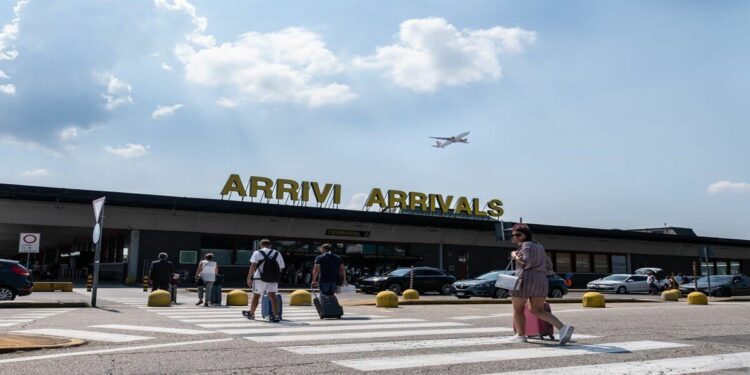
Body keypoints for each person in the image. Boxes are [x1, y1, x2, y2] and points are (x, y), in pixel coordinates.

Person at [508, 223, 574, 345]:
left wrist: (514, 255)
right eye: (514, 235)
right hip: (541, 280)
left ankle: (521, 335)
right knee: (537, 310)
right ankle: (563, 328)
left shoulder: (526, 245)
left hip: (524, 279)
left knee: (518, 309)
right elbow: (549, 266)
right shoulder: (540, 246)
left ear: (526, 235)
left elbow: (525, 263)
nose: (516, 237)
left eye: (518, 234)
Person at [243, 239, 285, 322]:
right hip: (273, 278)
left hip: (259, 278)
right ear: (270, 245)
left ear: (260, 245)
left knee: (256, 296)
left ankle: (251, 313)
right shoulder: (277, 253)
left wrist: (249, 277)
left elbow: (253, 266)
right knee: (273, 296)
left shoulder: (257, 252)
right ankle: (276, 315)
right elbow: (281, 267)